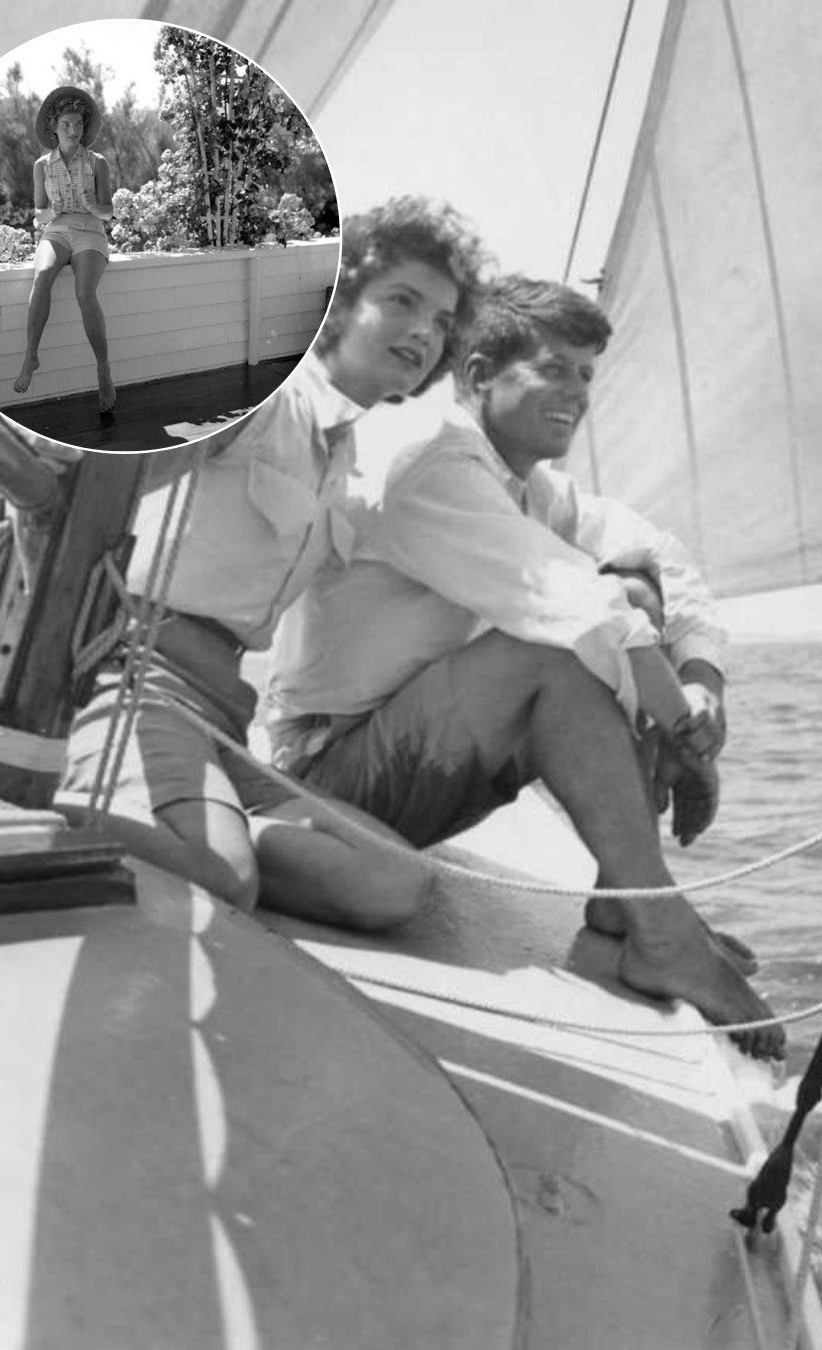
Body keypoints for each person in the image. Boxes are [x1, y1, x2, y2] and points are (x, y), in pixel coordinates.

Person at [266, 275, 784, 1059]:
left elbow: (662, 563)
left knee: (636, 588)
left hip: (411, 769)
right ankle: (664, 930)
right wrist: (685, 736)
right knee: (563, 646)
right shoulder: (429, 461)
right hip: (325, 779)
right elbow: (576, 607)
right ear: (479, 374)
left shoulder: (530, 488)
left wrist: (702, 682)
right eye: (554, 368)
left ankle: (627, 909)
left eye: (586, 373)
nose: (577, 391)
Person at [59, 196, 488, 928]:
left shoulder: (346, 461)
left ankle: (211, 830)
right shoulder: (253, 398)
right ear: (339, 300)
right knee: (221, 882)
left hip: (224, 712)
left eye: (443, 322)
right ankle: (58, 803)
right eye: (402, 301)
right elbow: (85, 480)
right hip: (137, 678)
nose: (425, 330)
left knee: (392, 884)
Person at [13, 87, 117, 413]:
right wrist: (51, 211)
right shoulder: (42, 166)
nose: (74, 130)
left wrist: (93, 206)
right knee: (42, 275)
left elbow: (108, 211)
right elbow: (38, 215)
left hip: (90, 232)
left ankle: (103, 369)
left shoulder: (97, 162)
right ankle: (31, 355)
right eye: (66, 125)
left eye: (78, 124)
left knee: (84, 292)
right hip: (56, 230)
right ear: (54, 128)